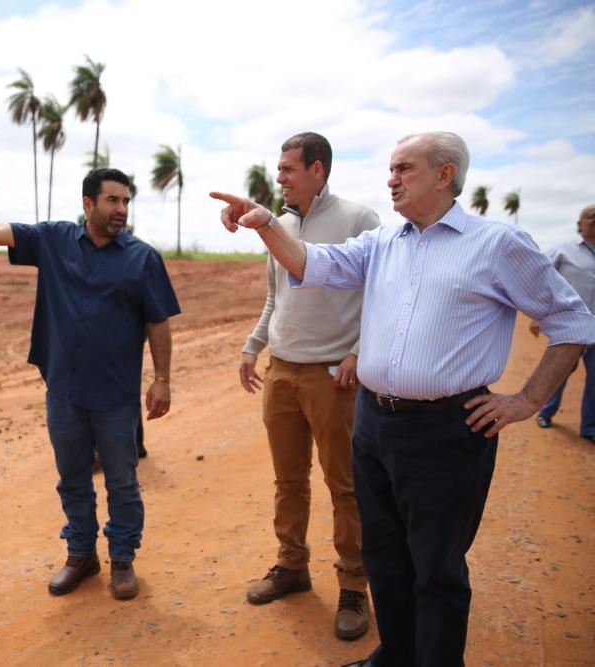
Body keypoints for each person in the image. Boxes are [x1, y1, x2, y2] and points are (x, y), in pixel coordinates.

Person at [210, 132, 595, 667]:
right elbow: (311, 263)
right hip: (373, 422)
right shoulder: (384, 242)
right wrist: (268, 223)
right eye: (390, 168)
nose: (391, 178)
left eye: (404, 168)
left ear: (444, 175)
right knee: (385, 557)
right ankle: (395, 656)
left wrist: (526, 400)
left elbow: (572, 320)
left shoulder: (497, 244)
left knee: (435, 567)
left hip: (445, 431)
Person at [0, 168, 180, 601]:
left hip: (116, 396)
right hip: (64, 390)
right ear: (88, 203)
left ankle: (122, 559)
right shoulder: (54, 240)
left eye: (126, 201)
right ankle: (81, 555)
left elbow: (158, 320)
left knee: (122, 482)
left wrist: (163, 379)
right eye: (113, 200)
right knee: (72, 478)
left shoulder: (142, 257)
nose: (122, 210)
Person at [238, 132, 378, 641]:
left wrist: (358, 352)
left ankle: (354, 586)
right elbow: (275, 298)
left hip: (331, 378)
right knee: (288, 480)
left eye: (288, 169)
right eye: (279, 170)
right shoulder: (280, 225)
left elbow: (377, 298)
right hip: (283, 372)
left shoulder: (360, 220)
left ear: (318, 169)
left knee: (344, 485)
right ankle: (292, 566)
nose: (280, 178)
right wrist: (254, 347)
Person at [531, 204, 595, 441]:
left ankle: (590, 428)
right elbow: (539, 279)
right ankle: (545, 413)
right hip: (571, 330)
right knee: (560, 373)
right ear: (580, 223)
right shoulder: (563, 251)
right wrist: (539, 316)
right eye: (591, 216)